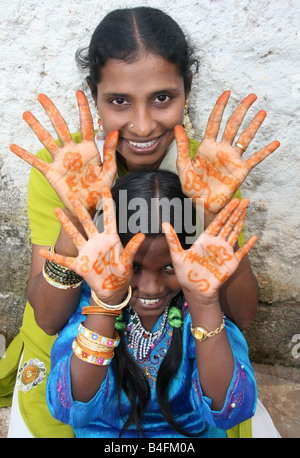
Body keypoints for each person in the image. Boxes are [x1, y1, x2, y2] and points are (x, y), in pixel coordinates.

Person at [0, 6, 279, 438]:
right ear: (95, 96)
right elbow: (51, 319)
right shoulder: (66, 169)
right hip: (82, 350)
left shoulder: (210, 171)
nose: (144, 124)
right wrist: (76, 211)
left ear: (187, 91)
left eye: (163, 98)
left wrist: (211, 215)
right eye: (118, 102)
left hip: (186, 352)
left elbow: (240, 314)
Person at [44, 169, 258, 438]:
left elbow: (231, 411)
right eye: (132, 267)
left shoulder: (199, 310)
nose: (151, 288)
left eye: (170, 267)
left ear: (195, 254)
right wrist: (107, 304)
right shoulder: (90, 305)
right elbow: (69, 409)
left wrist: (204, 304)